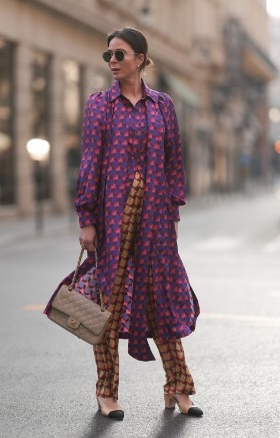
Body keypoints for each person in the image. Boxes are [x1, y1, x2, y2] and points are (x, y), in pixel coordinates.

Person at [44, 27, 202, 420]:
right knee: (108, 307)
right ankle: (106, 391)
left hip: (156, 220)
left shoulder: (163, 105)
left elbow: (172, 164)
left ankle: (178, 386)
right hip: (112, 219)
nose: (112, 62)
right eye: (108, 56)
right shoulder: (100, 105)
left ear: (140, 58)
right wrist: (87, 219)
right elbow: (90, 166)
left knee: (161, 300)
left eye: (119, 54)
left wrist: (174, 212)